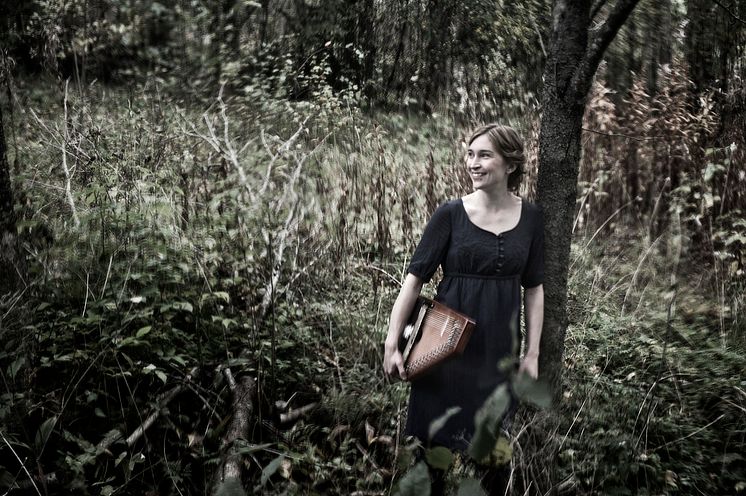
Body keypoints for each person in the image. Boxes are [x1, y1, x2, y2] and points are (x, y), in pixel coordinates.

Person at [382, 123, 545, 494]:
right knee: (432, 454)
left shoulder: (532, 219)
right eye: (470, 154)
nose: (473, 163)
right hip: (444, 348)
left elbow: (534, 289)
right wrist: (392, 342)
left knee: (491, 457)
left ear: (510, 164)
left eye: (484, 155)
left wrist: (532, 354)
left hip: (498, 356)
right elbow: (414, 280)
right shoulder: (450, 214)